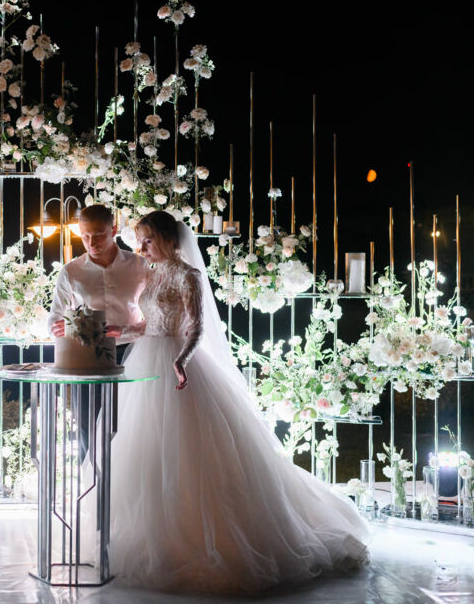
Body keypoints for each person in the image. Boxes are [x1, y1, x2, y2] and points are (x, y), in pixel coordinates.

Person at [106, 210, 369, 595]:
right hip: (146, 362)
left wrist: (182, 359)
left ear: (165, 238)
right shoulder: (151, 274)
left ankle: (203, 536)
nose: (141, 247)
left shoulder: (187, 275)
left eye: (147, 239)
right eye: (139, 240)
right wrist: (121, 331)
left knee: (191, 455)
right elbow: (150, 323)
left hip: (180, 366)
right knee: (145, 449)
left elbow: (195, 325)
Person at [48, 204, 148, 459]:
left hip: (133, 356)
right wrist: (61, 328)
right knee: (87, 430)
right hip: (86, 360)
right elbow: (54, 321)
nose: (91, 242)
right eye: (85, 236)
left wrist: (126, 330)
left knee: (132, 429)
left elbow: (156, 318)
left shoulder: (139, 266)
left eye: (99, 235)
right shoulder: (71, 272)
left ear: (113, 230)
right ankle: (89, 493)